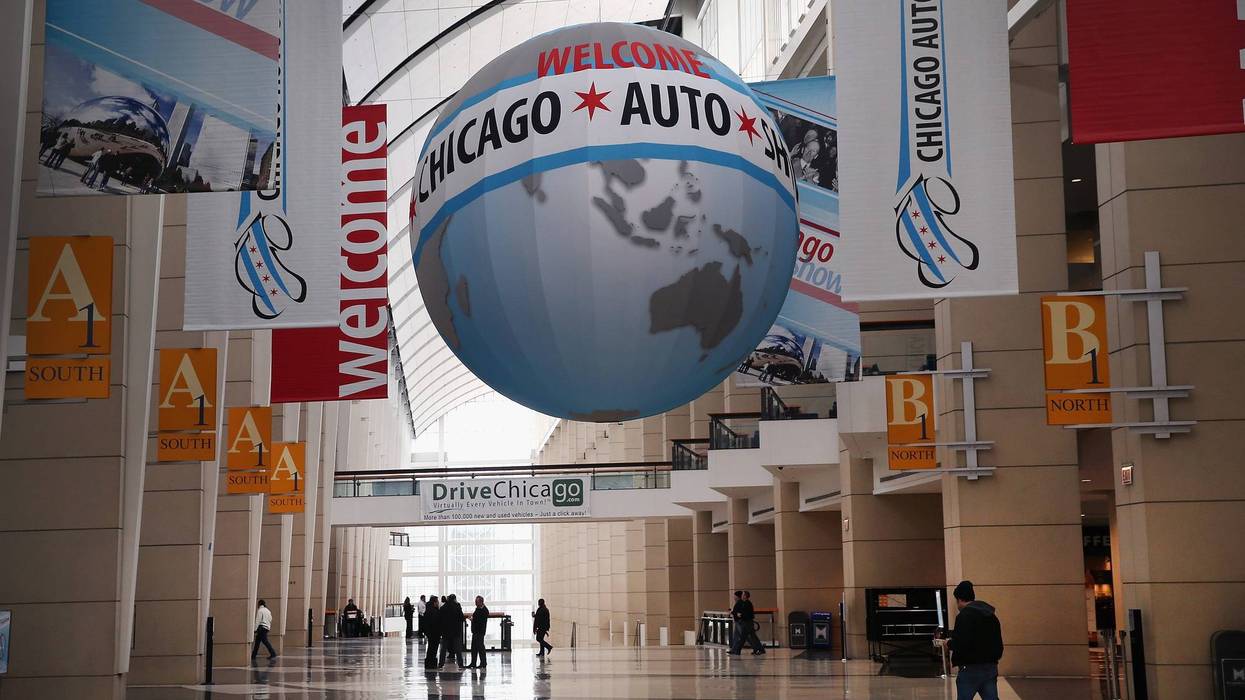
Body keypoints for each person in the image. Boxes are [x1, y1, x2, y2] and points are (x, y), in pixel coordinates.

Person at [947, 580, 1003, 700]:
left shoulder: (964, 616)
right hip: (990, 667)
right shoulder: (991, 615)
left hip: (970, 668)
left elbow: (960, 643)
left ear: (960, 599)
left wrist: (948, 643)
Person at [438, 593, 466, 668]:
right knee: (458, 649)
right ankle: (460, 664)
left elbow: (440, 619)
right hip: (456, 631)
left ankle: (441, 664)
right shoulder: (457, 606)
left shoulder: (443, 607)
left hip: (446, 631)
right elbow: (462, 618)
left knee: (443, 649)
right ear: (454, 599)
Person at [466, 595, 490, 669]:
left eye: (477, 602)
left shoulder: (484, 610)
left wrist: (473, 620)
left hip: (480, 631)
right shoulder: (478, 609)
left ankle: (483, 663)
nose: (476, 603)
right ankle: (473, 663)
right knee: (474, 648)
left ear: (481, 602)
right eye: (475, 602)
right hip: (476, 631)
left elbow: (480, 621)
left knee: (480, 647)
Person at [741, 591, 765, 655]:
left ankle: (760, 649)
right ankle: (756, 648)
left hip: (748, 622)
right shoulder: (745, 603)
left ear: (746, 596)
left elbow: (747, 614)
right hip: (747, 622)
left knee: (752, 637)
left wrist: (740, 615)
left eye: (743, 594)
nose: (742, 596)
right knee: (751, 637)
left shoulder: (747, 603)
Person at [423, 595, 441, 668]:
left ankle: (429, 663)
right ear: (434, 602)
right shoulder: (434, 611)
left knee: (430, 648)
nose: (438, 603)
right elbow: (436, 622)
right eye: (437, 601)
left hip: (430, 633)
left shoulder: (428, 609)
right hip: (435, 633)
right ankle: (432, 663)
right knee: (433, 648)